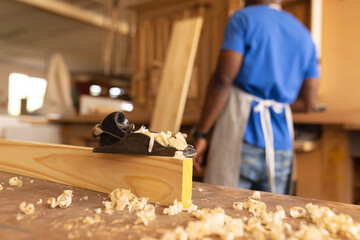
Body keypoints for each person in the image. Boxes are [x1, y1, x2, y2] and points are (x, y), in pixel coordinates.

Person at [193, 0, 319, 194]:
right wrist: (273, 103)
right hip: (281, 146)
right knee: (271, 218)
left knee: (225, 213)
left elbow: (223, 79)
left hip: (240, 138)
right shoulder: (304, 35)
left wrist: (201, 133)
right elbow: (308, 102)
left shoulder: (242, 19)